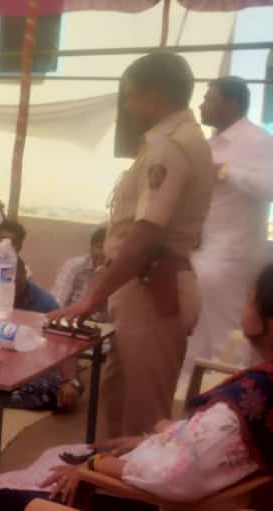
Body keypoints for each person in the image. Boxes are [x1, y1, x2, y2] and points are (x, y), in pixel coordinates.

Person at [49, 52, 214, 438]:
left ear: (154, 95)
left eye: (131, 97)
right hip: (143, 287)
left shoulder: (170, 146)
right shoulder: (177, 140)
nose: (128, 107)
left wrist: (91, 297)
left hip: (152, 288)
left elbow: (145, 233)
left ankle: (134, 480)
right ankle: (111, 477)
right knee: (119, 401)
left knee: (143, 419)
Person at [38, 263, 273, 508]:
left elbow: (174, 478)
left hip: (147, 494)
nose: (243, 306)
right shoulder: (255, 395)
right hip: (161, 462)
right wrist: (153, 440)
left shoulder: (250, 399)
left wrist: (95, 464)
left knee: (20, 492)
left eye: (250, 299)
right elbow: (210, 445)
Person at [184, 76, 273, 383]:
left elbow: (269, 187)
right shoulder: (209, 145)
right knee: (195, 331)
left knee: (228, 337)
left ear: (232, 104)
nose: (201, 105)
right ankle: (192, 397)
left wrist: (226, 171)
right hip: (202, 251)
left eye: (210, 99)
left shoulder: (258, 141)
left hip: (234, 256)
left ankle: (232, 398)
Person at [0, 259, 82, 411]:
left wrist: (70, 381)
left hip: (33, 365)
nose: (10, 285)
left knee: (67, 388)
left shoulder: (45, 302)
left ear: (24, 274)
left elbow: (65, 343)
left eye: (14, 279)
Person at [52, 226, 108, 321]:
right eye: (100, 247)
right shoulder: (75, 265)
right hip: (68, 319)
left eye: (107, 249)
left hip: (100, 324)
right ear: (91, 247)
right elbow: (58, 301)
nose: (104, 253)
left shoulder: (118, 271)